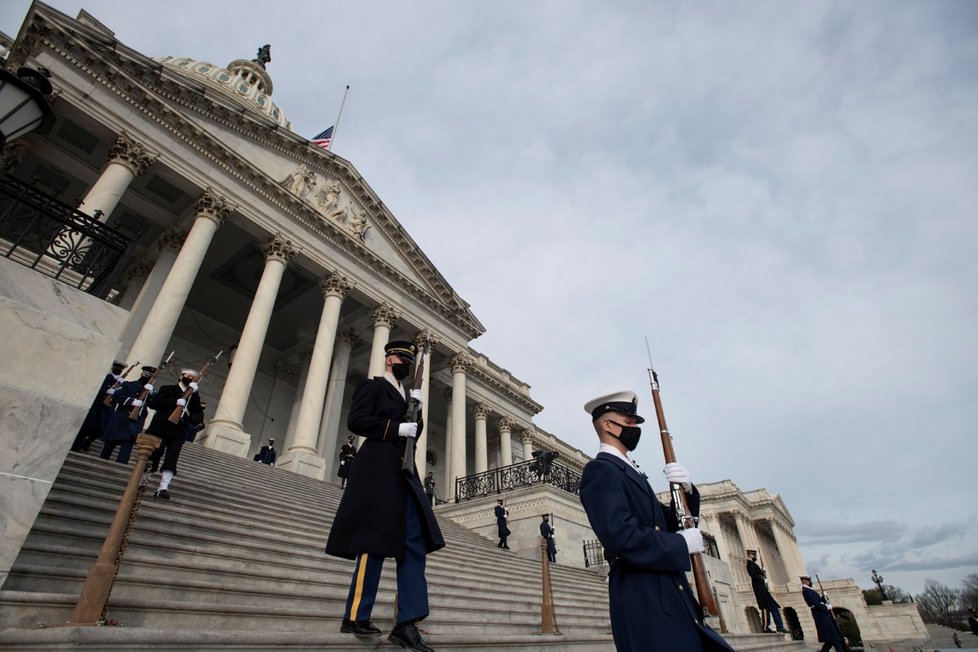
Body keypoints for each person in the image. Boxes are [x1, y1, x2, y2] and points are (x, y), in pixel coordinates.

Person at [579, 390, 733, 652]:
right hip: (642, 591)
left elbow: (666, 522)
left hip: (667, 586)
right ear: (607, 425)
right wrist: (679, 545)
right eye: (629, 423)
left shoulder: (630, 470)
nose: (635, 428)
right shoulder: (601, 469)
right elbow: (619, 535)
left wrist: (686, 491)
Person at [324, 340, 445, 652]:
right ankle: (356, 615)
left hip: (403, 473)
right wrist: (396, 428)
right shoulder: (373, 385)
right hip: (377, 469)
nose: (405, 362)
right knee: (373, 541)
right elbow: (358, 420)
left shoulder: (407, 395)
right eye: (402, 357)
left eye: (409, 359)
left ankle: (407, 622)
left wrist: (415, 411)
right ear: (390, 359)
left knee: (414, 541)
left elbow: (413, 434)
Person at [145, 368, 203, 500]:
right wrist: (175, 402)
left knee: (172, 458)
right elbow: (155, 404)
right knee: (155, 453)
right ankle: (143, 479)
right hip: (161, 427)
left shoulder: (193, 396)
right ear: (181, 376)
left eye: (192, 377)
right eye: (187, 376)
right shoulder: (167, 388)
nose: (189, 378)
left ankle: (163, 487)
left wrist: (195, 393)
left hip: (178, 431)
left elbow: (197, 412)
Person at [100, 365, 156, 464]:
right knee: (110, 444)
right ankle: (101, 462)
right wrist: (131, 401)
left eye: (151, 376)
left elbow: (154, 405)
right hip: (121, 418)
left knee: (127, 446)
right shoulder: (128, 384)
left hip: (135, 421)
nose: (147, 377)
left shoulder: (150, 391)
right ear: (141, 374)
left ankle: (120, 466)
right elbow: (117, 396)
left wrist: (152, 394)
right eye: (146, 374)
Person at [71, 360, 126, 452]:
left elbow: (121, 395)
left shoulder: (121, 381)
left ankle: (88, 442)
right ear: (113, 367)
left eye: (120, 368)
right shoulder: (106, 377)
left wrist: (119, 387)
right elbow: (96, 388)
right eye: (117, 367)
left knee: (103, 428)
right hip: (97, 405)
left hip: (108, 407)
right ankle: (77, 446)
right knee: (87, 427)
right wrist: (106, 390)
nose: (118, 369)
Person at [746, 550, 788, 633]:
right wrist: (761, 576)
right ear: (750, 555)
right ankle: (765, 627)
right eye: (753, 555)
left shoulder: (754, 564)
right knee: (765, 608)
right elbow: (753, 575)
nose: (755, 556)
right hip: (760, 590)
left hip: (764, 590)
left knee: (774, 608)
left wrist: (762, 572)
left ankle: (780, 626)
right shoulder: (750, 564)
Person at [801, 575, 845, 652]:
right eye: (808, 580)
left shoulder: (809, 590)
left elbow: (818, 601)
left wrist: (823, 597)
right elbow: (814, 603)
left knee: (831, 639)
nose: (810, 582)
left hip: (822, 614)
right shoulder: (806, 591)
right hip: (819, 614)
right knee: (834, 637)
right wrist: (826, 607)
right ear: (805, 581)